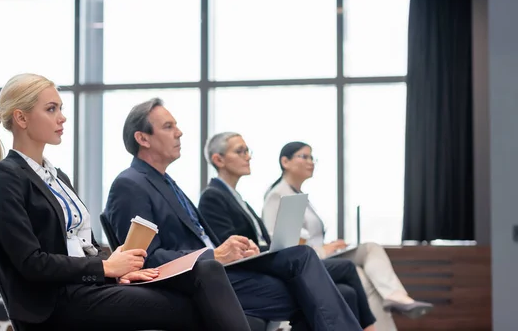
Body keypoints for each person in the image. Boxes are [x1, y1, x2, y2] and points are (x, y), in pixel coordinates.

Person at [0, 74, 252, 331]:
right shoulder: (5, 176)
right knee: (195, 306)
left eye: (60, 108)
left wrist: (114, 268)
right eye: (51, 109)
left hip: (89, 287)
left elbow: (85, 246)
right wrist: (105, 268)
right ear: (21, 119)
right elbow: (31, 263)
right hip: (58, 301)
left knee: (205, 269)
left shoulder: (56, 175)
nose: (62, 117)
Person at [105, 98, 364, 331]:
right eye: (168, 127)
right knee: (321, 294)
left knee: (302, 256)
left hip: (218, 268)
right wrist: (214, 254)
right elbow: (144, 259)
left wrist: (236, 251)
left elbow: (202, 238)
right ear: (143, 138)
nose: (180, 132)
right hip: (196, 278)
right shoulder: (130, 184)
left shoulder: (168, 182)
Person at [199, 132, 376, 331]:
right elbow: (227, 244)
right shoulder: (212, 196)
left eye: (248, 151)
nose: (247, 156)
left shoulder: (240, 199)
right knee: (336, 266)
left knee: (346, 292)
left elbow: (259, 237)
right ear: (218, 159)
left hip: (262, 256)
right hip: (248, 264)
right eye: (240, 151)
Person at [263, 142, 434, 330]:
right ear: (285, 162)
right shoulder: (277, 195)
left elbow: (307, 236)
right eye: (304, 157)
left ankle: (396, 296)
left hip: (322, 254)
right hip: (310, 260)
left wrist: (330, 245)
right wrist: (322, 249)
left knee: (370, 248)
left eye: (312, 157)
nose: (311, 162)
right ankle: (382, 314)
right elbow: (280, 242)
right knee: (362, 276)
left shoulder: (300, 195)